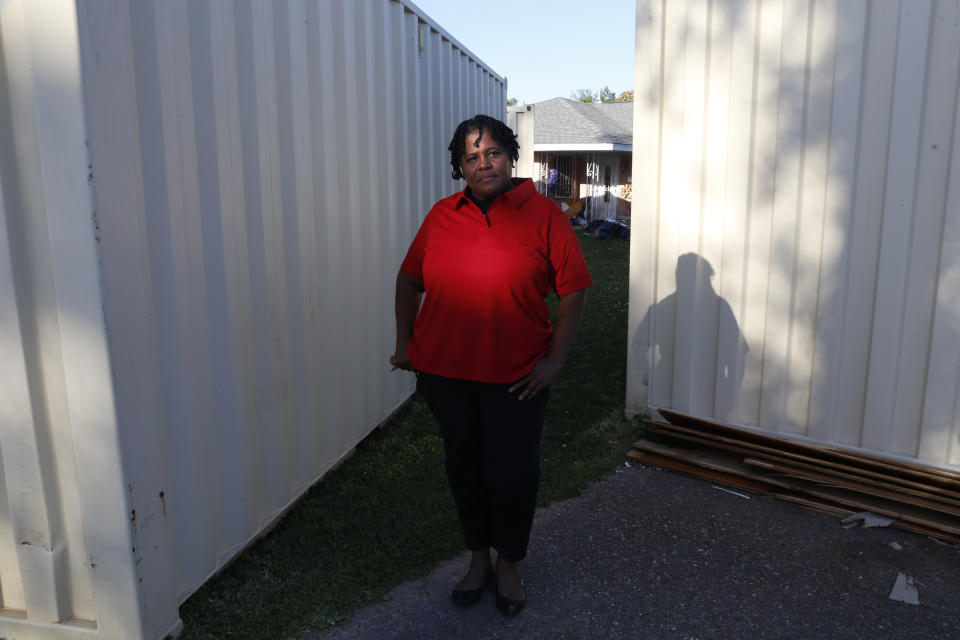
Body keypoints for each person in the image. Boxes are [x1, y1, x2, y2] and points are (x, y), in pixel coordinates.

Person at [390, 114, 592, 616]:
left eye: (494, 152)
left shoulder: (543, 214)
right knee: (465, 469)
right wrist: (405, 343)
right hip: (447, 377)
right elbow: (409, 279)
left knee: (513, 474)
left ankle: (508, 563)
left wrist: (553, 363)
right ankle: (478, 559)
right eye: (472, 157)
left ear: (511, 155)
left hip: (517, 380)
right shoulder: (442, 215)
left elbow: (574, 291)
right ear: (459, 166)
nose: (484, 164)